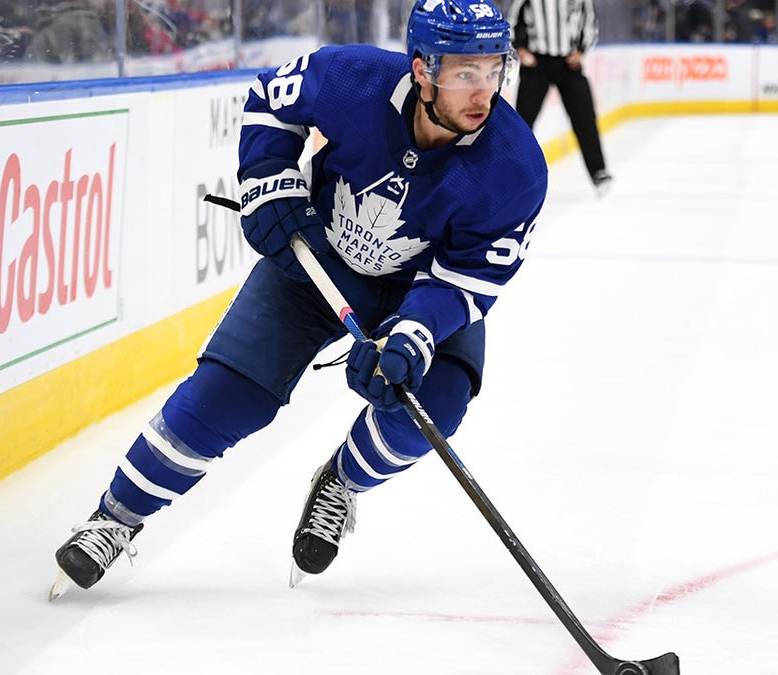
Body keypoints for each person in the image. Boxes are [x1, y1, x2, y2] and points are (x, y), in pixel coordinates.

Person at [51, 0, 547, 595]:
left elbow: (466, 280)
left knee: (433, 408)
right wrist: (269, 183)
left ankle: (341, 480)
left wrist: (411, 335)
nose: (483, 91)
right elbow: (270, 101)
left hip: (423, 287)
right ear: (422, 68)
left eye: (493, 70)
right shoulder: (350, 78)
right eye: (465, 73)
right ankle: (115, 518)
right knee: (228, 396)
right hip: (315, 260)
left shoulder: (515, 168)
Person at [508, 0, 611, 195]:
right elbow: (512, 19)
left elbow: (589, 22)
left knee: (585, 118)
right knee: (522, 123)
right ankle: (512, 174)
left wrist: (581, 50)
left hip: (568, 63)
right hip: (537, 62)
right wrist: (520, 48)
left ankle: (598, 171)